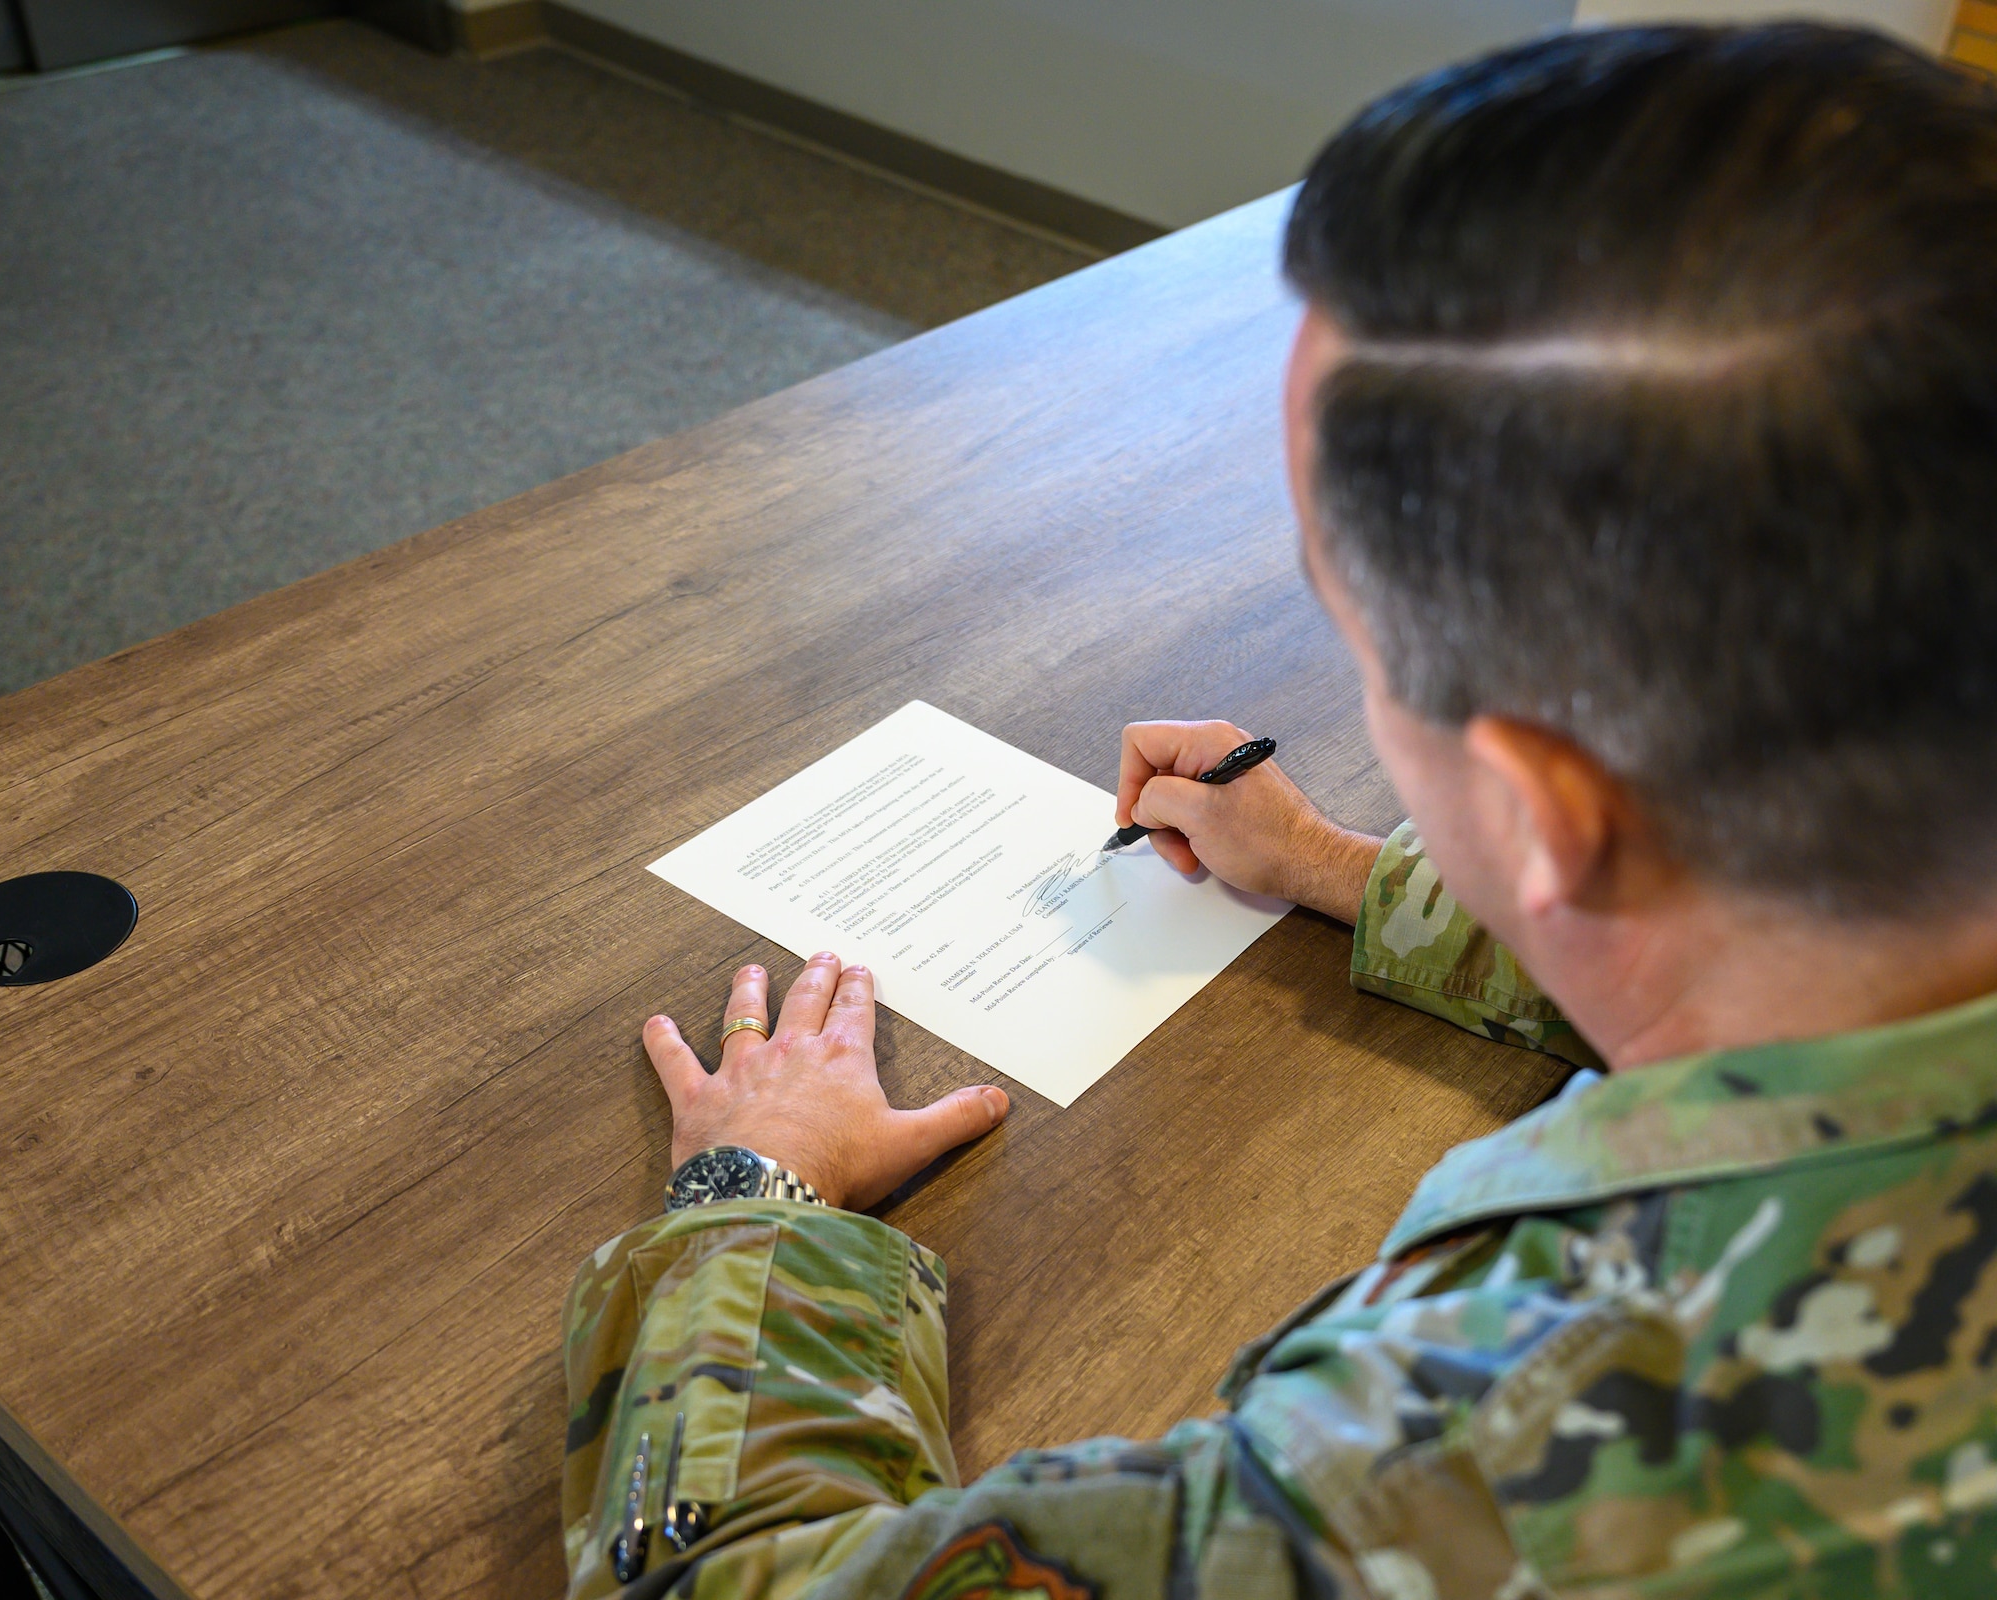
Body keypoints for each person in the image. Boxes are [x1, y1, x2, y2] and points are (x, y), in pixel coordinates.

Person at [559, 23, 1997, 1599]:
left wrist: (746, 1207)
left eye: (1350, 625)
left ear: (1543, 804)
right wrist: (1336, 871)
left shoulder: (1487, 1454)